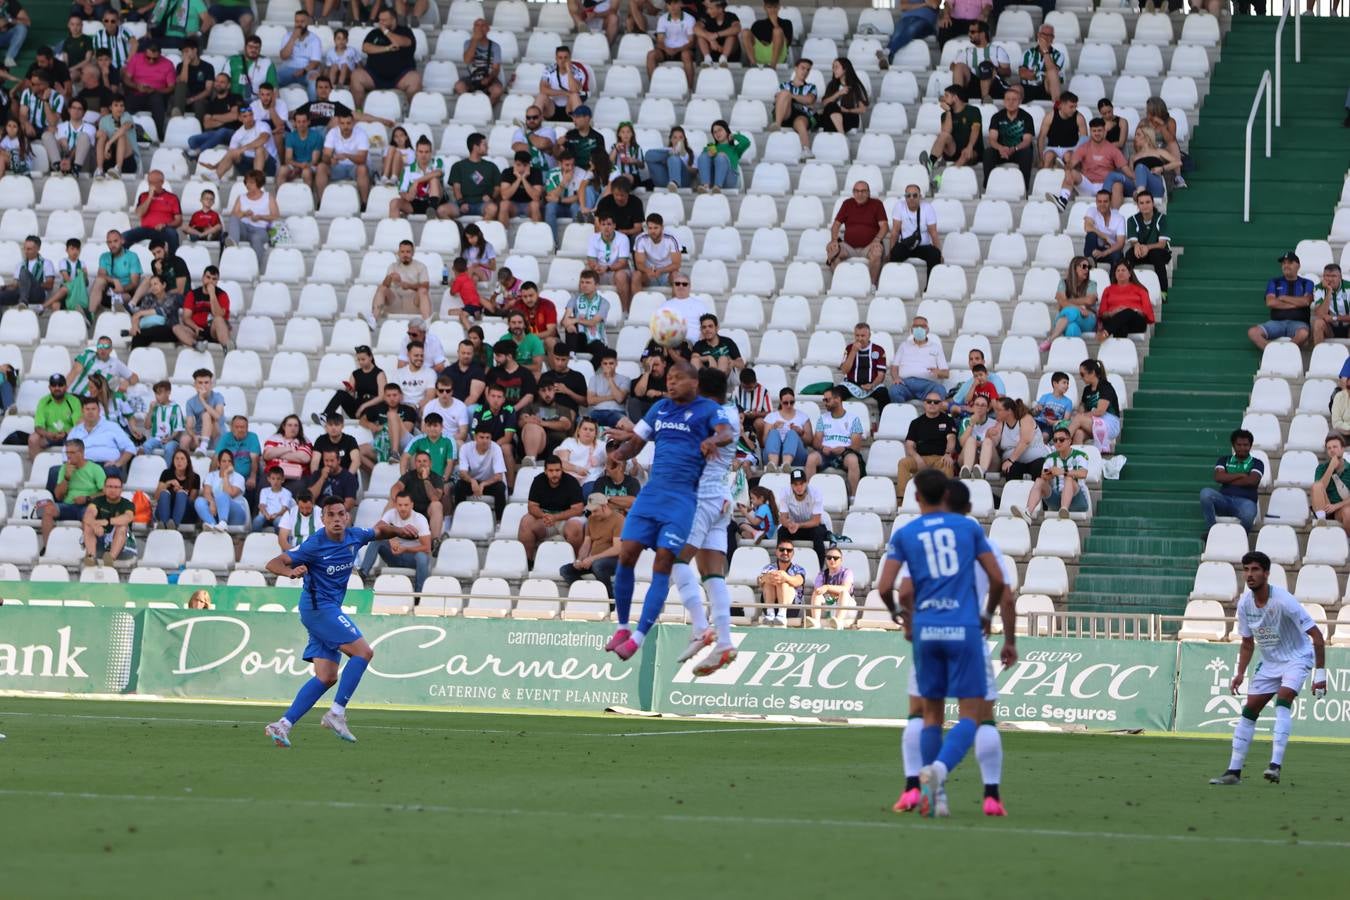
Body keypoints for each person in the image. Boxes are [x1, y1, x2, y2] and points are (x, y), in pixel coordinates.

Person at [877, 467, 1009, 818]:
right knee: (973, 715)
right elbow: (998, 581)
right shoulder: (968, 529)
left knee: (928, 713)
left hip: (926, 630)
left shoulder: (907, 533)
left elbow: (886, 587)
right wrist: (987, 614)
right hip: (964, 629)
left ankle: (934, 796)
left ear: (917, 496)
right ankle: (940, 771)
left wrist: (899, 616)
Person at [603, 361, 731, 660]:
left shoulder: (708, 410)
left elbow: (725, 432)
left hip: (682, 500)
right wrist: (620, 454)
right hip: (652, 495)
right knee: (626, 553)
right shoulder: (660, 408)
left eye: (677, 378)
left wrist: (712, 439)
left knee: (664, 562)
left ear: (694, 383)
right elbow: (637, 440)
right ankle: (622, 626)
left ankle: (639, 636)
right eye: (669, 378)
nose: (670, 383)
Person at [263, 496, 415, 747]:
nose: (336, 519)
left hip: (327, 609)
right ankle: (336, 713)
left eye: (340, 514)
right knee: (364, 652)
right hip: (318, 609)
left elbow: (380, 530)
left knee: (326, 676)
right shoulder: (314, 545)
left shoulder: (355, 536)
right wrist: (291, 572)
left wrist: (399, 530)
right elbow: (274, 562)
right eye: (330, 515)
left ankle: (282, 725)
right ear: (322, 519)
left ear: (347, 516)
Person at [1209, 551, 1327, 786]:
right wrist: (1240, 672)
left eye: (1254, 569)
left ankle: (1275, 766)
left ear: (1266, 573)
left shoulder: (1284, 601)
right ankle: (1234, 772)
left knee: (1283, 701)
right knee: (1249, 710)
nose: (1249, 575)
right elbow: (1246, 642)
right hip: (1270, 662)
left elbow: (1317, 636)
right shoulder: (1244, 604)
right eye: (1246, 570)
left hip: (1297, 657)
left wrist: (1320, 674)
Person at [37, 438, 106, 550]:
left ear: (82, 453)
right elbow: (58, 496)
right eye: (67, 452)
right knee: (47, 509)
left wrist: (87, 498)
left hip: (88, 506)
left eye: (72, 453)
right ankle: (47, 547)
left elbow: (105, 493)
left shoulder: (95, 468)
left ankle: (90, 552)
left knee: (89, 516)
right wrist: (66, 478)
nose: (69, 456)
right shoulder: (64, 468)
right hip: (68, 505)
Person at [357, 490, 431, 592]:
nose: (403, 508)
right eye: (400, 505)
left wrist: (405, 549)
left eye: (406, 505)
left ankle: (419, 593)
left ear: (412, 505)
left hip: (412, 558)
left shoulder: (420, 519)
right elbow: (375, 530)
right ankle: (362, 575)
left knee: (422, 556)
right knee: (377, 541)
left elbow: (427, 548)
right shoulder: (391, 514)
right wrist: (390, 536)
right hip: (394, 555)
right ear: (395, 505)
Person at [518, 455, 585, 565]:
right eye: (551, 470)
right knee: (525, 522)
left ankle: (575, 564)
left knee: (576, 526)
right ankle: (528, 563)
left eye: (557, 470)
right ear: (545, 471)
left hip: (565, 519)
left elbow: (578, 509)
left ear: (562, 470)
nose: (554, 474)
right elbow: (532, 506)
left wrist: (555, 517)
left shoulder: (571, 482)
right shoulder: (538, 481)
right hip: (544, 519)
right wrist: (543, 515)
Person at [351, 7, 420, 108]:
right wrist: (387, 48)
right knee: (356, 75)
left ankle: (410, 113)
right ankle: (359, 110)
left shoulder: (405, 31)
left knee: (415, 78)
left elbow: (401, 42)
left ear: (393, 20)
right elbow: (366, 47)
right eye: (379, 20)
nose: (381, 23)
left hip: (400, 77)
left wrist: (386, 32)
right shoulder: (374, 33)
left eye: (384, 20)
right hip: (374, 76)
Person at [1200, 428, 1263, 534]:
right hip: (1224, 500)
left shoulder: (1257, 463)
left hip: (1245, 502)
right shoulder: (1224, 460)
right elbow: (1218, 477)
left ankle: (1240, 538)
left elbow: (1252, 481)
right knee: (1205, 493)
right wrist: (1241, 475)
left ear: (1250, 446)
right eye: (1239, 445)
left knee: (1249, 515)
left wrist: (1228, 478)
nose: (1242, 448)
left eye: (1245, 445)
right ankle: (1212, 532)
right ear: (1233, 445)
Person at [1250, 250, 1315, 350]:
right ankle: (1273, 352)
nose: (1286, 265)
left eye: (1290, 263)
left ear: (1298, 266)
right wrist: (1297, 303)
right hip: (1276, 322)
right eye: (1284, 263)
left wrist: (1283, 298)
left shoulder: (1307, 283)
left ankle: (1283, 352)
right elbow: (1270, 302)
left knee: (1303, 333)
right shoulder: (1274, 282)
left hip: (1298, 323)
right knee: (1253, 332)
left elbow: (1306, 301)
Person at [560, 494, 623, 595]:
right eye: (591, 511)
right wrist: (580, 559)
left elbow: (617, 549)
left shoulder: (618, 519)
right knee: (565, 570)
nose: (592, 514)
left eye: (595, 511)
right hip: (595, 560)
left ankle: (610, 601)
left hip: (615, 560)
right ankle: (586, 594)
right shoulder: (591, 519)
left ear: (604, 506)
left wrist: (593, 558)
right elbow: (586, 543)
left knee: (598, 565)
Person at [828, 182, 888, 287]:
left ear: (868, 193)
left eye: (863, 191)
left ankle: (871, 285)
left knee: (877, 252)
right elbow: (836, 225)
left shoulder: (876, 204)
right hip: (848, 246)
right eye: (857, 191)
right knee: (831, 249)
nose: (859, 194)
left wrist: (877, 240)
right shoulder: (847, 204)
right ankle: (842, 283)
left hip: (869, 246)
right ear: (853, 193)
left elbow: (884, 226)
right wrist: (834, 240)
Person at [897, 391, 957, 497]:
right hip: (921, 458)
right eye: (929, 402)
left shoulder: (948, 420)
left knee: (948, 463)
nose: (932, 404)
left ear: (941, 404)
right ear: (924, 404)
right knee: (903, 463)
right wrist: (917, 458)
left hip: (940, 458)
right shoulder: (916, 423)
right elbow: (909, 445)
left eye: (936, 402)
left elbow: (951, 439)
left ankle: (947, 500)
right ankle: (902, 499)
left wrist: (948, 454)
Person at [922, 85, 983, 183]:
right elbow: (946, 132)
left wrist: (970, 146)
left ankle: (941, 178)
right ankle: (930, 163)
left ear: (955, 97)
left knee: (965, 153)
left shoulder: (973, 111)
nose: (943, 98)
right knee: (943, 135)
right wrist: (949, 112)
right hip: (953, 150)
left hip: (972, 151)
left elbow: (975, 130)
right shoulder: (945, 114)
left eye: (946, 95)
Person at [812, 386, 864, 497]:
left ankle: (853, 498)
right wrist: (822, 448)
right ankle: (808, 497)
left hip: (844, 454)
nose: (825, 403)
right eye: (824, 400)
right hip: (825, 453)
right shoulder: (822, 418)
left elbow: (856, 446)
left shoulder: (853, 419)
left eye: (827, 400)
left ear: (838, 399)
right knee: (811, 458)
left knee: (853, 460)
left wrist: (844, 449)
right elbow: (816, 442)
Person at [982, 84, 1035, 190]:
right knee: (988, 152)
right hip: (1001, 151)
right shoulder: (997, 117)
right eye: (1008, 99)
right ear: (1004, 101)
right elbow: (992, 139)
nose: (1011, 102)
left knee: (1027, 153)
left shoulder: (1027, 117)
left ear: (1020, 101)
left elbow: (1027, 141)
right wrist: (1001, 148)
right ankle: (988, 186)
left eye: (1014, 100)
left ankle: (1024, 188)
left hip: (1018, 150)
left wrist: (1014, 149)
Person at [776, 466, 832, 566]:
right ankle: (781, 567)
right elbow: (783, 518)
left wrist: (798, 525)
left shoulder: (816, 493)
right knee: (782, 532)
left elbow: (816, 521)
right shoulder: (784, 492)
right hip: (794, 527)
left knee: (817, 533)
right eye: (795, 484)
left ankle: (819, 568)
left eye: (801, 484)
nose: (799, 487)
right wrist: (789, 524)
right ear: (791, 485)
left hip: (813, 527)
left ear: (806, 483)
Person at [1041, 256, 1099, 351]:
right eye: (1084, 266)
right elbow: (1062, 302)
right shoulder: (1063, 283)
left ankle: (1051, 339)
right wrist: (1079, 308)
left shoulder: (1091, 284)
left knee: (1070, 311)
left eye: (1088, 267)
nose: (1087, 270)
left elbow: (1089, 301)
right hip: (1068, 317)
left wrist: (1069, 302)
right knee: (1072, 329)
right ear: (1074, 268)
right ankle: (1073, 358)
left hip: (1087, 318)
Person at [886, 183, 942, 280]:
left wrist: (939, 253)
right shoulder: (899, 207)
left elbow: (933, 233)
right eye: (908, 195)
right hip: (906, 244)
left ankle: (930, 287)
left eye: (915, 195)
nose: (911, 198)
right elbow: (895, 232)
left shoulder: (927, 208)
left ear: (920, 197)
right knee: (894, 254)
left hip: (923, 246)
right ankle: (895, 283)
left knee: (935, 255)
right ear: (905, 197)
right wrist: (891, 251)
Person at [316, 111, 371, 208]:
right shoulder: (332, 133)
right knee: (321, 167)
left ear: (353, 123)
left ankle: (364, 204)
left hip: (355, 167)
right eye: (342, 123)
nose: (345, 126)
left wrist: (347, 155)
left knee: (362, 168)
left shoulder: (361, 134)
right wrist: (330, 159)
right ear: (338, 123)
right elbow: (326, 156)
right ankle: (321, 202)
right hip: (337, 166)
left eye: (348, 123)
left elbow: (362, 159)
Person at [121, 39, 176, 137]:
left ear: (160, 54)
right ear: (144, 53)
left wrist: (155, 90)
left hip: (156, 93)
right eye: (148, 58)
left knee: (157, 100)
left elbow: (171, 87)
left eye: (155, 59)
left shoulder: (167, 64)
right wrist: (136, 86)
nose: (151, 61)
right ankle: (126, 133)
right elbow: (126, 79)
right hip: (137, 91)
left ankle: (157, 135)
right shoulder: (136, 59)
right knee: (129, 101)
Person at [889, 316, 949, 404]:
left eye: (922, 326)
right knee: (894, 390)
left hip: (928, 385)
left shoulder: (936, 347)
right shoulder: (904, 346)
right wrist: (896, 378)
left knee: (940, 390)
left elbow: (946, 373)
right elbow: (894, 367)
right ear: (911, 329)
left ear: (927, 329)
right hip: (906, 384)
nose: (919, 328)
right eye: (916, 326)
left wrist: (938, 372)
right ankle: (902, 415)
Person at [1067, 358, 1122, 453]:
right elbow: (1081, 411)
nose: (1081, 377)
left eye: (1082, 374)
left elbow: (1100, 411)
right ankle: (1076, 461)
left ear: (1092, 373)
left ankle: (1061, 442)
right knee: (1079, 433)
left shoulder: (1105, 386)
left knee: (1079, 418)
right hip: (1093, 421)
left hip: (1110, 422)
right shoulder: (1086, 390)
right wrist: (1079, 417)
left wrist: (1080, 417)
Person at [81, 472, 134, 566]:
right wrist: (94, 525)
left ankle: (110, 559)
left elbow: (128, 517)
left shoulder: (127, 504)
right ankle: (91, 557)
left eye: (116, 487)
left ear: (121, 489)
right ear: (104, 488)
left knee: (122, 526)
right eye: (110, 486)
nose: (113, 490)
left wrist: (107, 521)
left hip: (122, 544)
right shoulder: (97, 501)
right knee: (88, 525)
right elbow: (88, 514)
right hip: (99, 539)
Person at [456, 424, 509, 519]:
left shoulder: (496, 448)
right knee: (459, 486)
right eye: (481, 437)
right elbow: (462, 473)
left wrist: (483, 484)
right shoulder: (465, 448)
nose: (485, 441)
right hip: (472, 482)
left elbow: (499, 476)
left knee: (500, 487)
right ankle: (459, 518)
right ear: (475, 437)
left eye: (487, 438)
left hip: (489, 483)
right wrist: (472, 481)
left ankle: (499, 521)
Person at [174, 266, 231, 351]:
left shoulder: (222, 295)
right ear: (203, 278)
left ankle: (227, 348)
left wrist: (212, 295)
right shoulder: (192, 294)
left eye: (214, 279)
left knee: (218, 319)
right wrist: (195, 327)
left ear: (217, 281)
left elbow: (219, 315)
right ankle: (196, 345)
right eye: (208, 277)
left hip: (214, 331)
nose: (210, 281)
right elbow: (186, 317)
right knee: (177, 328)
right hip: (196, 330)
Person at [949, 21, 1008, 102]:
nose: (969, 35)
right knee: (959, 66)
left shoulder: (997, 50)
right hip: (973, 86)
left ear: (983, 34)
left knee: (985, 65)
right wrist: (959, 67)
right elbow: (953, 67)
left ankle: (985, 98)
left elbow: (1008, 72)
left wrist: (994, 68)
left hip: (993, 86)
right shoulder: (966, 51)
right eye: (969, 32)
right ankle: (957, 98)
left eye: (973, 32)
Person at [89, 229, 141, 318]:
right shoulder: (104, 256)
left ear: (122, 241)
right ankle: (90, 315)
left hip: (126, 292)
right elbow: (101, 274)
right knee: (99, 280)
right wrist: (114, 281)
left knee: (126, 297)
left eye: (115, 241)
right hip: (109, 291)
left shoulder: (132, 256)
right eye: (109, 242)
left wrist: (122, 288)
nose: (112, 245)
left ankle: (119, 306)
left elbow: (134, 283)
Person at [1097, 260, 1155, 339]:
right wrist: (1112, 313)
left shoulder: (1140, 290)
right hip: (1113, 319)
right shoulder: (1108, 290)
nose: (1120, 273)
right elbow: (1102, 314)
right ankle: (1120, 350)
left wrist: (1132, 310)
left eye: (1123, 270)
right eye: (1118, 271)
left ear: (1129, 274)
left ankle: (1106, 332)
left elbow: (1146, 313)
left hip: (1136, 322)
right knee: (1121, 326)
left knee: (1127, 311)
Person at [647, 0, 697, 90]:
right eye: (669, 4)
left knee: (686, 55)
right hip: (666, 50)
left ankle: (689, 89)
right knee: (651, 55)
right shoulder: (662, 19)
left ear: (681, 4)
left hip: (683, 50)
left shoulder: (690, 19)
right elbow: (660, 41)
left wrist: (677, 49)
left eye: (675, 3)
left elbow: (691, 42)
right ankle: (653, 87)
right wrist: (666, 49)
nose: (672, 6)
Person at [758, 538, 808, 625]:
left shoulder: (798, 569)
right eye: (782, 549)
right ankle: (770, 613)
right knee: (769, 580)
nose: (785, 552)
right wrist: (766, 578)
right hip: (770, 605)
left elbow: (799, 581)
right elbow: (760, 581)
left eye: (789, 550)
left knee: (783, 582)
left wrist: (785, 577)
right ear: (776, 552)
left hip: (790, 608)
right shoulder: (768, 568)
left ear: (793, 553)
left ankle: (782, 614)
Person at [771, 59, 816, 155]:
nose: (805, 72)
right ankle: (777, 125)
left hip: (801, 114)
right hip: (785, 112)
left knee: (800, 123)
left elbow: (809, 100)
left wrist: (790, 96)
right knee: (784, 94)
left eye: (808, 70)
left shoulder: (811, 87)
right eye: (803, 68)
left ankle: (806, 150)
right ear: (796, 68)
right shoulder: (784, 85)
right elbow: (777, 99)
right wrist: (793, 97)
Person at [762, 388, 813, 472]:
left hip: (796, 456)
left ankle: (787, 464)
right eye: (786, 403)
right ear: (780, 402)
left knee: (792, 433)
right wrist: (773, 428)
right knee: (774, 432)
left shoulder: (803, 416)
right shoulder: (771, 417)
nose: (789, 405)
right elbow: (764, 442)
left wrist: (800, 432)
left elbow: (809, 441)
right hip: (771, 455)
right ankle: (773, 465)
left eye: (792, 402)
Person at [535, 45, 589, 123]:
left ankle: (581, 124)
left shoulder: (578, 72)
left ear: (570, 59)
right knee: (541, 96)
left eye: (565, 58)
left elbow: (574, 90)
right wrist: (563, 92)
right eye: (560, 58)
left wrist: (569, 71)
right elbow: (542, 89)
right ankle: (532, 124)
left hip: (570, 110)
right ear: (556, 59)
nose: (563, 60)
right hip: (552, 109)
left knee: (574, 96)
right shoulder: (549, 69)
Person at [878, 0, 939, 68]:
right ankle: (887, 56)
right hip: (906, 19)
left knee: (911, 29)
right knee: (897, 33)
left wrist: (912, 6)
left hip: (925, 21)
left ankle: (887, 52)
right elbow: (903, 7)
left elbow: (934, 4)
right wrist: (924, 5)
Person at [277, 9, 323, 100]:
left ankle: (311, 110)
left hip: (307, 70)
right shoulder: (287, 36)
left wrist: (304, 70)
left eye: (302, 21)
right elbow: (283, 56)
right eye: (297, 22)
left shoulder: (314, 39)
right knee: (273, 80)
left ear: (308, 22)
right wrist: (293, 38)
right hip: (288, 68)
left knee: (314, 83)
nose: (299, 24)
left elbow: (315, 62)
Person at [1035, 90, 1086, 172]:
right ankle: (1046, 182)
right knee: (1048, 157)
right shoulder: (1050, 116)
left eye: (1075, 107)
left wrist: (1080, 159)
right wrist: (1041, 159)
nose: (1074, 110)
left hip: (1071, 148)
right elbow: (1041, 138)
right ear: (1062, 105)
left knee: (1069, 157)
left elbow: (1084, 140)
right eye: (1071, 107)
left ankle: (1068, 180)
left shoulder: (1079, 117)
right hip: (1052, 147)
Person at [0, 234, 54, 310]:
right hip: (20, 292)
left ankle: (23, 302)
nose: (26, 251)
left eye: (29, 249)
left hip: (37, 294)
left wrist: (29, 284)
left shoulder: (47, 263)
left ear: (38, 248)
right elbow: (15, 285)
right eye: (24, 249)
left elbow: (50, 285)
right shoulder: (20, 265)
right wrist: (5, 287)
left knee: (24, 272)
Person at [806, 548, 855, 629]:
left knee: (844, 593)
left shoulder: (847, 572)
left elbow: (845, 588)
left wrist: (827, 587)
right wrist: (833, 591)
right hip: (828, 603)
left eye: (835, 558)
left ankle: (838, 622)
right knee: (816, 593)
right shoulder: (821, 574)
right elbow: (818, 590)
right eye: (829, 557)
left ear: (841, 560)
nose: (832, 560)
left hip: (847, 606)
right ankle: (816, 622)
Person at [154, 446, 200, 529]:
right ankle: (164, 524)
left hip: (186, 514)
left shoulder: (195, 477)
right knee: (164, 493)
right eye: (177, 459)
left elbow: (192, 501)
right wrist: (167, 484)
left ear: (188, 462)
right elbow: (157, 497)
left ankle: (173, 525)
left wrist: (181, 491)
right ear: (173, 461)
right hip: (166, 512)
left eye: (182, 459)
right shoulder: (166, 473)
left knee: (181, 494)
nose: (179, 461)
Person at [1312, 434, 1350, 534]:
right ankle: (1322, 522)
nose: (1332, 450)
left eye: (1335, 447)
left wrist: (1336, 506)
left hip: (1342, 508)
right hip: (1324, 506)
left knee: (1348, 512)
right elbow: (1320, 488)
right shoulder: (1321, 468)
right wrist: (1331, 467)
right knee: (1316, 485)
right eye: (1329, 448)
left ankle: (1346, 541)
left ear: (1342, 449)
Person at [820, 57, 868, 135]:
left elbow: (863, 109)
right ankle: (841, 136)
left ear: (845, 69)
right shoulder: (832, 85)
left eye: (836, 67)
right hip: (832, 117)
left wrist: (848, 110)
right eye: (833, 67)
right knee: (831, 106)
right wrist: (838, 93)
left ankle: (837, 139)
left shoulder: (855, 86)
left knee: (829, 117)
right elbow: (824, 104)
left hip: (849, 117)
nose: (833, 70)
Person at [142, 379, 186, 464]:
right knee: (146, 446)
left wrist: (170, 438)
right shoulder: (154, 407)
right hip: (155, 439)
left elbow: (178, 429)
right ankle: (152, 468)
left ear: (168, 392)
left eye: (159, 393)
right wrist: (150, 410)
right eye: (155, 394)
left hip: (171, 440)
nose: (157, 396)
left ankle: (166, 473)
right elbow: (147, 426)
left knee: (169, 448)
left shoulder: (175, 407)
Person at [1018, 23, 1064, 102]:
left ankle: (1056, 107)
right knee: (1015, 89)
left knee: (1051, 75)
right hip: (1028, 87)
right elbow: (1022, 74)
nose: (1046, 38)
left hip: (1046, 89)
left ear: (1053, 38)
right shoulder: (1028, 53)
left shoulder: (1059, 55)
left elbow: (1053, 74)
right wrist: (1042, 74)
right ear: (1038, 35)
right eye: (1044, 34)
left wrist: (1045, 51)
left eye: (1050, 35)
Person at [741, 0, 792, 67]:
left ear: (779, 7)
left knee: (777, 31)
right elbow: (753, 43)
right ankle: (753, 64)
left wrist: (774, 22)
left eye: (775, 7)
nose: (772, 10)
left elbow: (787, 43)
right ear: (765, 8)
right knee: (745, 32)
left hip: (778, 57)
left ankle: (773, 66)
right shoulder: (758, 24)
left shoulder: (786, 23)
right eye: (769, 7)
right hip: (760, 55)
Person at [694, 0, 741, 66]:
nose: (708, 11)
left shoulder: (731, 16)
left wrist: (717, 35)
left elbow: (737, 28)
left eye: (711, 8)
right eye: (708, 8)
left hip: (730, 53)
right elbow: (696, 28)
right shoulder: (706, 17)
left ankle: (723, 59)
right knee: (700, 36)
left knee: (732, 36)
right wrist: (711, 39)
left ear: (720, 9)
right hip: (712, 50)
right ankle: (707, 59)